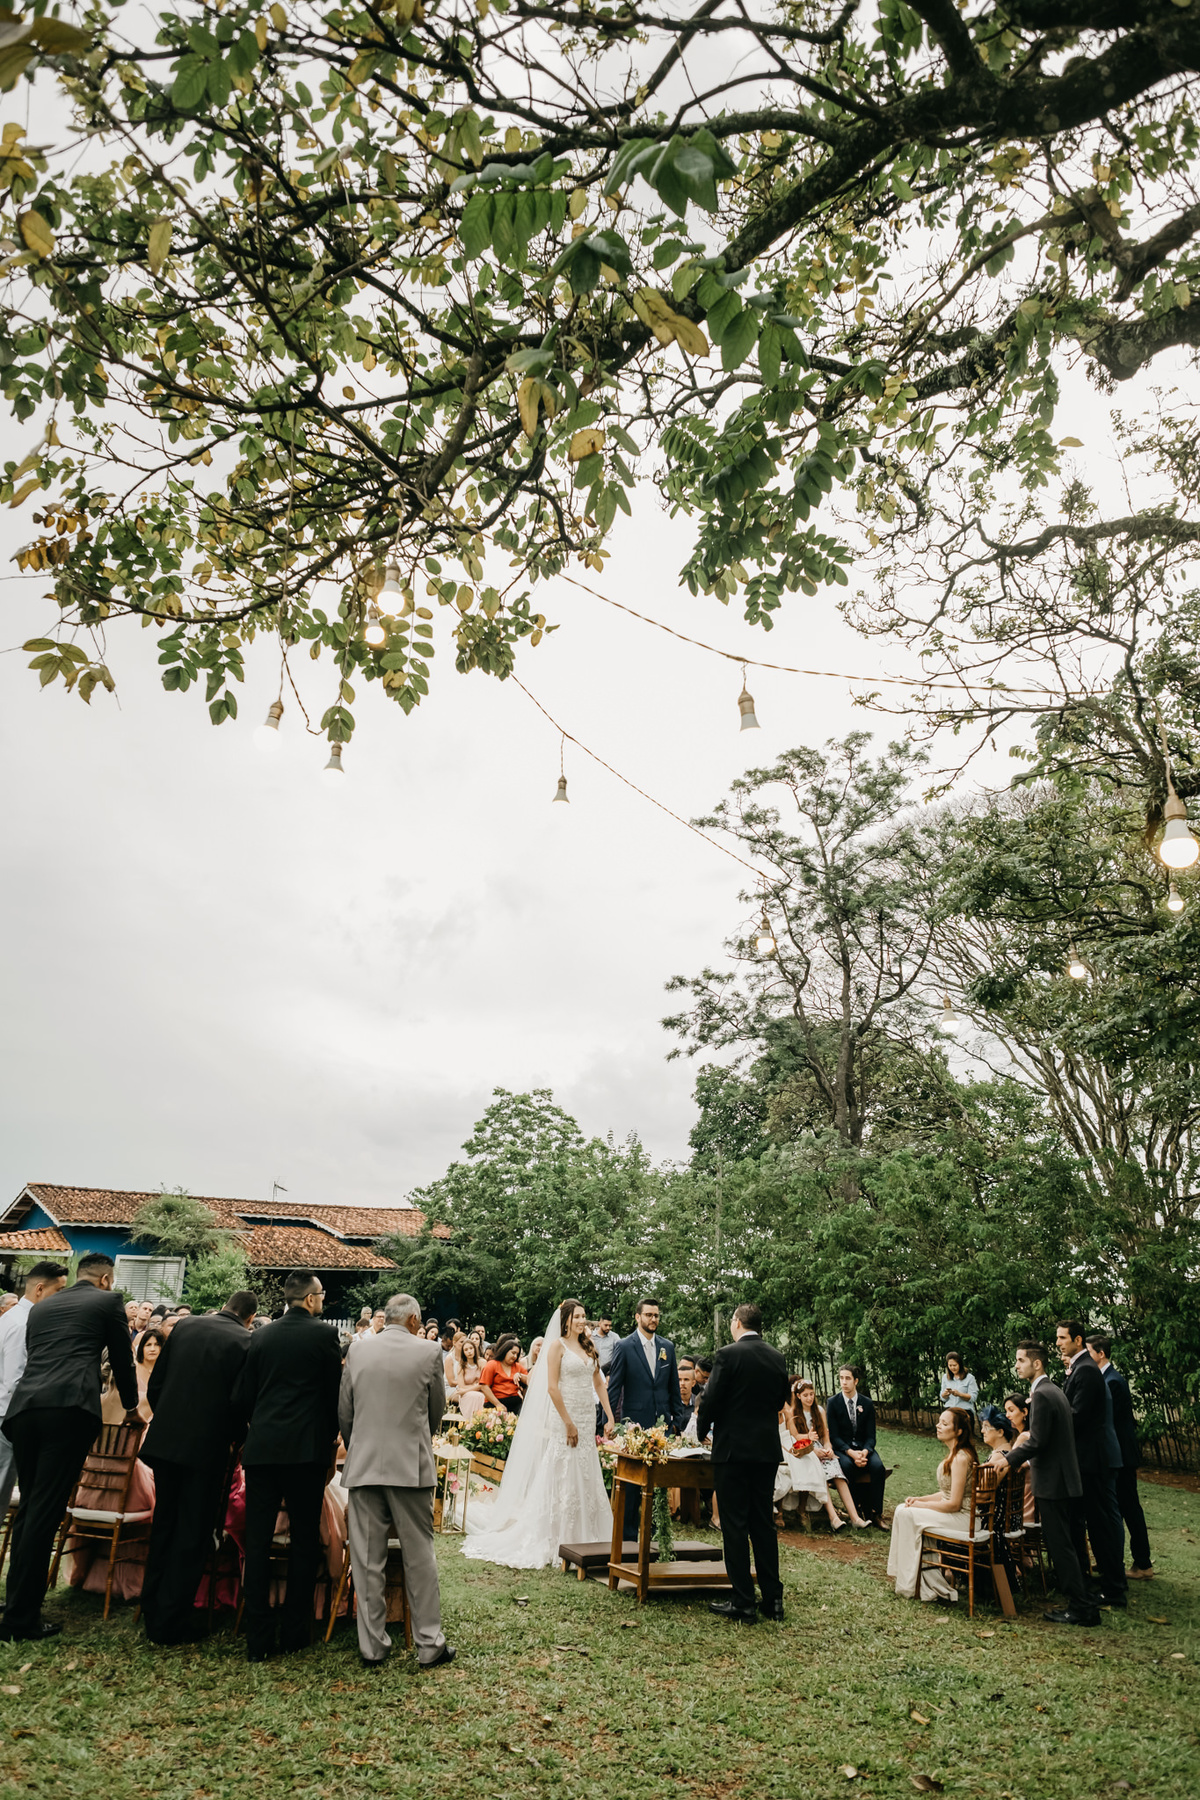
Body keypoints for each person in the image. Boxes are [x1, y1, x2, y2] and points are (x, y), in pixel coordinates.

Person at [1, 1251, 139, 1642]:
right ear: (106, 1280)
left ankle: (15, 1605)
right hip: (68, 1409)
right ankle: (19, 1621)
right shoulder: (108, 1301)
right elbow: (123, 1359)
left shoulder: (41, 1307)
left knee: (30, 1509)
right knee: (45, 1512)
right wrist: (130, 1407)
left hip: (25, 1410)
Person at [338, 1293, 454, 1669]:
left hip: (365, 1464)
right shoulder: (428, 1352)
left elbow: (345, 1411)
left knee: (367, 1558)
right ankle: (428, 1643)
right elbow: (436, 1410)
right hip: (410, 1466)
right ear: (415, 1321)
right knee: (419, 1556)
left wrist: (361, 1444)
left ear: (385, 1318)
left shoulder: (358, 1351)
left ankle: (372, 1646)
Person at [232, 1270, 342, 1662]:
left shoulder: (259, 1335)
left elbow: (244, 1396)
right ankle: (296, 1631)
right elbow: (333, 1398)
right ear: (311, 1300)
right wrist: (329, 1442)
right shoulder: (325, 1336)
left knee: (258, 1541)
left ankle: (258, 1637)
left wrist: (257, 1426)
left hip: (262, 1449)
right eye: (322, 1295)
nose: (323, 1300)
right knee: (304, 1541)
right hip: (306, 1451)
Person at [138, 1289, 258, 1646]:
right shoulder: (245, 1342)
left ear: (225, 1307)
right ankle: (171, 1622)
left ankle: (151, 1607)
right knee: (192, 1534)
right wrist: (235, 1439)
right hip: (205, 1450)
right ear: (250, 1317)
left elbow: (157, 1384)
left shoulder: (186, 1327)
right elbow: (240, 1402)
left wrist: (168, 1420)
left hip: (165, 1442)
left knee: (165, 1525)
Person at [463, 1299, 615, 1569]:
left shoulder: (588, 1347)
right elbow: (552, 1388)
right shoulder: (557, 1346)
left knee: (586, 1468)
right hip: (564, 1415)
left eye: (584, 1316)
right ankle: (556, 1534)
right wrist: (567, 1421)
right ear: (566, 1319)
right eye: (577, 1316)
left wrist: (610, 1414)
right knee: (563, 1468)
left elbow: (599, 1383)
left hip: (587, 1414)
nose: (582, 1321)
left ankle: (588, 1535)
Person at [696, 1303, 789, 1623]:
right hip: (765, 1451)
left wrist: (700, 1427)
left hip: (733, 1452)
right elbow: (779, 1401)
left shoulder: (728, 1354)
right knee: (763, 1523)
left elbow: (711, 1398)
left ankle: (743, 1601)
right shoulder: (777, 1357)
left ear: (737, 1323)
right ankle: (773, 1601)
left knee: (734, 1525)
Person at [1006, 1340, 1098, 1625]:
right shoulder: (1054, 1389)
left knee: (1061, 1547)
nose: (1017, 1365)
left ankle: (1081, 1608)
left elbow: (1038, 1441)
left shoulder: (1044, 1395)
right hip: (1066, 1480)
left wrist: (1007, 1459)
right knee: (1070, 1544)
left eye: (1021, 1360)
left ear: (1037, 1363)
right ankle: (1085, 1601)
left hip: (1053, 1483)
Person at [1056, 1319, 1126, 1606]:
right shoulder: (1083, 1368)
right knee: (1096, 1523)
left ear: (1077, 1340)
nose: (1059, 1343)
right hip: (1090, 1459)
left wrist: (1047, 1417)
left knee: (1100, 1525)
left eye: (1062, 1338)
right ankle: (1104, 1580)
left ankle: (1113, 1589)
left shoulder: (1085, 1371)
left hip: (1094, 1460)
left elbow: (1076, 1416)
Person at [886, 1409, 979, 1603]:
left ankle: (912, 1582)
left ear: (959, 1431)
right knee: (902, 1509)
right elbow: (946, 1493)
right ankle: (913, 1579)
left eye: (945, 1424)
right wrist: (921, 1499)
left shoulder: (961, 1458)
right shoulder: (954, 1454)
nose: (938, 1426)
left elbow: (954, 1503)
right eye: (939, 1422)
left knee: (907, 1514)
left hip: (965, 1518)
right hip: (956, 1512)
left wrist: (921, 1506)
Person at [0, 1261, 69, 1518]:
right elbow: (15, 1380)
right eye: (59, 1291)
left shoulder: (18, 1318)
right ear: (40, 1289)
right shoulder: (21, 1324)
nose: (62, 1298)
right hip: (8, 1416)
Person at [1087, 1333, 1153, 1580]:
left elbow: (1106, 1421)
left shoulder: (1112, 1381)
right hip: (1118, 1454)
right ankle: (1113, 1559)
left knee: (1128, 1508)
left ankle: (1142, 1564)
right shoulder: (1107, 1379)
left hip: (1122, 1455)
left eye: (1089, 1352)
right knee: (1122, 1507)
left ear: (1100, 1354)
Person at [778, 1378, 870, 1530]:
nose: (809, 1398)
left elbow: (826, 1437)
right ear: (799, 1396)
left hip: (821, 1448)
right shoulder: (793, 1412)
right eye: (806, 1395)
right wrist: (813, 1450)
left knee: (838, 1476)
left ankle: (855, 1517)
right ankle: (833, 1517)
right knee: (822, 1474)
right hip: (805, 1450)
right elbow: (794, 1436)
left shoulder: (819, 1411)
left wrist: (828, 1449)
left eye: (812, 1394)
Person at [605, 1299, 688, 1434]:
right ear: (638, 1317)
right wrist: (607, 1421)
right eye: (648, 1315)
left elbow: (674, 1387)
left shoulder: (667, 1346)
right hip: (634, 1425)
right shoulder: (624, 1347)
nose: (653, 1319)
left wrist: (677, 1424)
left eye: (656, 1315)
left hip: (664, 1426)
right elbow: (614, 1388)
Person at [826, 1365, 885, 1526]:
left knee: (878, 1467)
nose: (843, 1382)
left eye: (848, 1378)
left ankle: (876, 1513)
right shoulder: (833, 1402)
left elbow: (871, 1436)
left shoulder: (866, 1403)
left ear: (856, 1381)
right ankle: (856, 1510)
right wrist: (850, 1453)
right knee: (846, 1466)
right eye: (841, 1378)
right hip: (843, 1449)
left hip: (864, 1448)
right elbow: (834, 1436)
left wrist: (865, 1452)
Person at [479, 1336, 527, 1415]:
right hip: (495, 1402)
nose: (515, 1356)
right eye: (513, 1353)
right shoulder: (492, 1364)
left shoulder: (518, 1367)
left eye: (517, 1354)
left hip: (515, 1403)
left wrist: (520, 1375)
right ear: (505, 1351)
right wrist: (498, 1404)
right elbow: (484, 1387)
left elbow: (529, 1381)